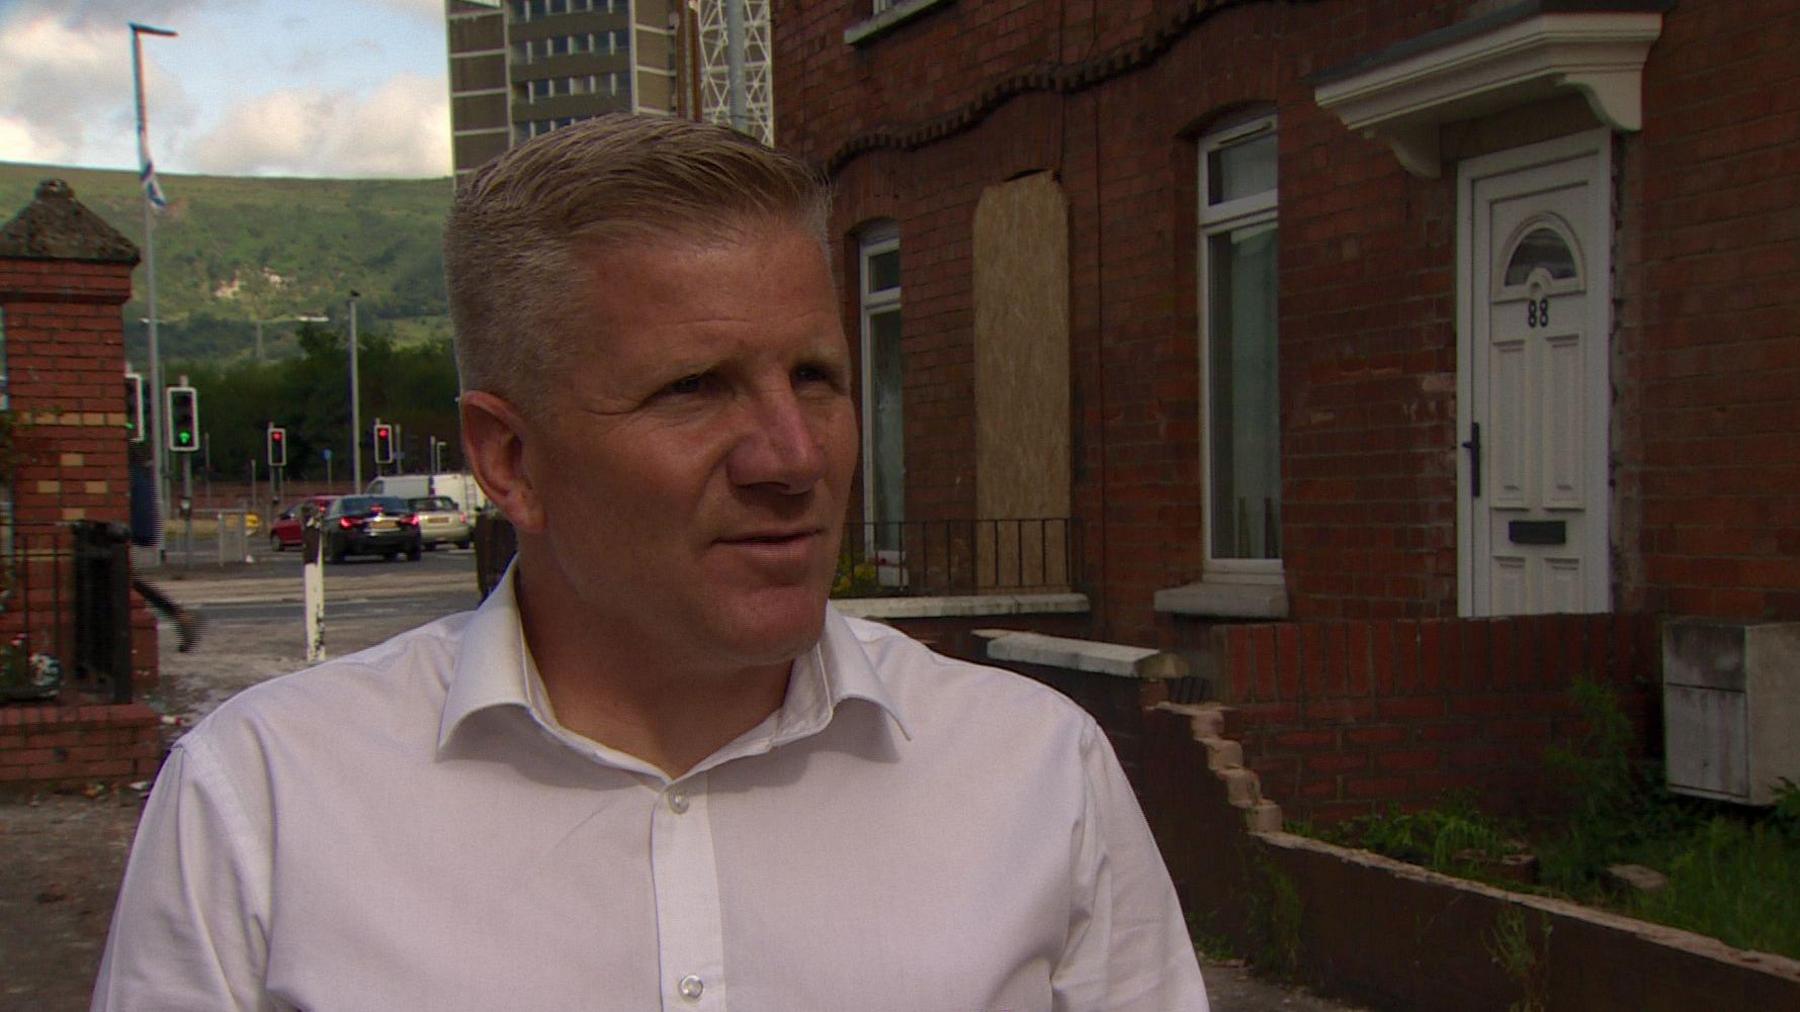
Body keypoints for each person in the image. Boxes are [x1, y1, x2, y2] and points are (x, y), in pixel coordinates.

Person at [94, 115, 1207, 1010]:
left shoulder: (1033, 772)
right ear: (511, 458)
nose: (793, 456)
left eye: (816, 375)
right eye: (696, 389)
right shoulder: (265, 804)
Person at [126, 442, 201, 652]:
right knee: (126, 579)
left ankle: (180, 615)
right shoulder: (139, 470)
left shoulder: (128, 473)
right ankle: (180, 615)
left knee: (123, 579)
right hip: (139, 529)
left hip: (132, 528)